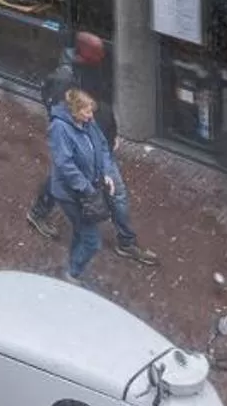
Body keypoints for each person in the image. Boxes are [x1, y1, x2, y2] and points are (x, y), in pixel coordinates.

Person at [47, 87, 158, 281]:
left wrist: (106, 172)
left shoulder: (87, 122)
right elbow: (65, 165)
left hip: (88, 188)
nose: (91, 116)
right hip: (71, 194)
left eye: (91, 111)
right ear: (75, 111)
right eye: (86, 112)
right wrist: (88, 188)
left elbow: (102, 146)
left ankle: (73, 263)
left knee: (81, 232)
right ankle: (72, 274)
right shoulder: (60, 129)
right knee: (92, 241)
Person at [29, 32, 117, 239]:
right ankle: (38, 212)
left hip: (85, 126)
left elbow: (98, 100)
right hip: (72, 129)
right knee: (63, 173)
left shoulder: (88, 69)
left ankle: (60, 207)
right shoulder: (65, 78)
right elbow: (56, 107)